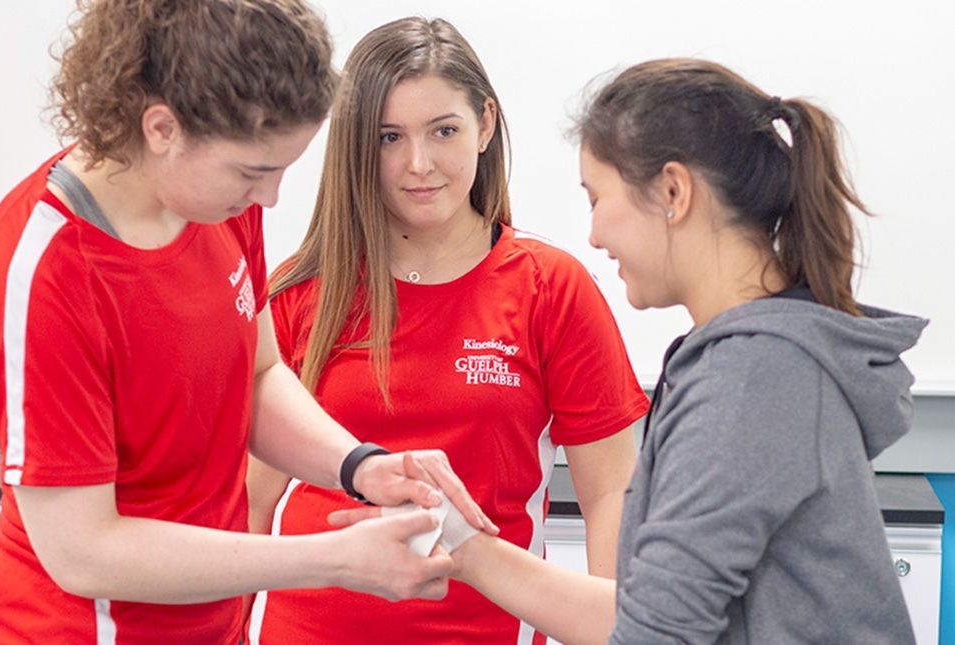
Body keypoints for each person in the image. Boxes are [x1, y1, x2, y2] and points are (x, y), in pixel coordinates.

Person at [0, 2, 497, 643]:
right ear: (163, 129)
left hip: (205, 623)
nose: (269, 198)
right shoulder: (48, 273)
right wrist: (331, 559)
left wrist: (359, 466)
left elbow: (259, 375)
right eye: (253, 173)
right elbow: (84, 553)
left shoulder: (219, 202)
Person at [348, 58, 923, 644]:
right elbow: (649, 612)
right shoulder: (749, 363)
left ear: (674, 192)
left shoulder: (751, 381)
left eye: (597, 198)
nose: (595, 234)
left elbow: (653, 635)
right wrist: (464, 544)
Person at [245, 17, 649, 644]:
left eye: (444, 131)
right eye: (389, 137)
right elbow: (250, 501)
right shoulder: (300, 291)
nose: (419, 164)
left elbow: (609, 495)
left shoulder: (551, 289)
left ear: (485, 125)